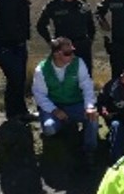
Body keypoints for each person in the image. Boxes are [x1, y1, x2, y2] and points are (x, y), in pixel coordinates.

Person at [32, 37, 98, 166]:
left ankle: (89, 151)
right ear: (57, 54)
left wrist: (89, 106)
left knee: (93, 118)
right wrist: (54, 110)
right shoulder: (42, 69)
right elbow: (39, 95)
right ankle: (65, 127)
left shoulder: (78, 63)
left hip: (76, 104)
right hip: (54, 106)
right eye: (68, 53)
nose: (72, 56)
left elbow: (87, 86)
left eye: (72, 52)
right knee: (49, 128)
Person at [36, 0, 96, 75]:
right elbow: (41, 25)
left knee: (85, 76)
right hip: (63, 48)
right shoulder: (54, 5)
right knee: (64, 76)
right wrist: (51, 41)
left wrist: (90, 40)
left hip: (82, 46)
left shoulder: (82, 3)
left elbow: (90, 24)